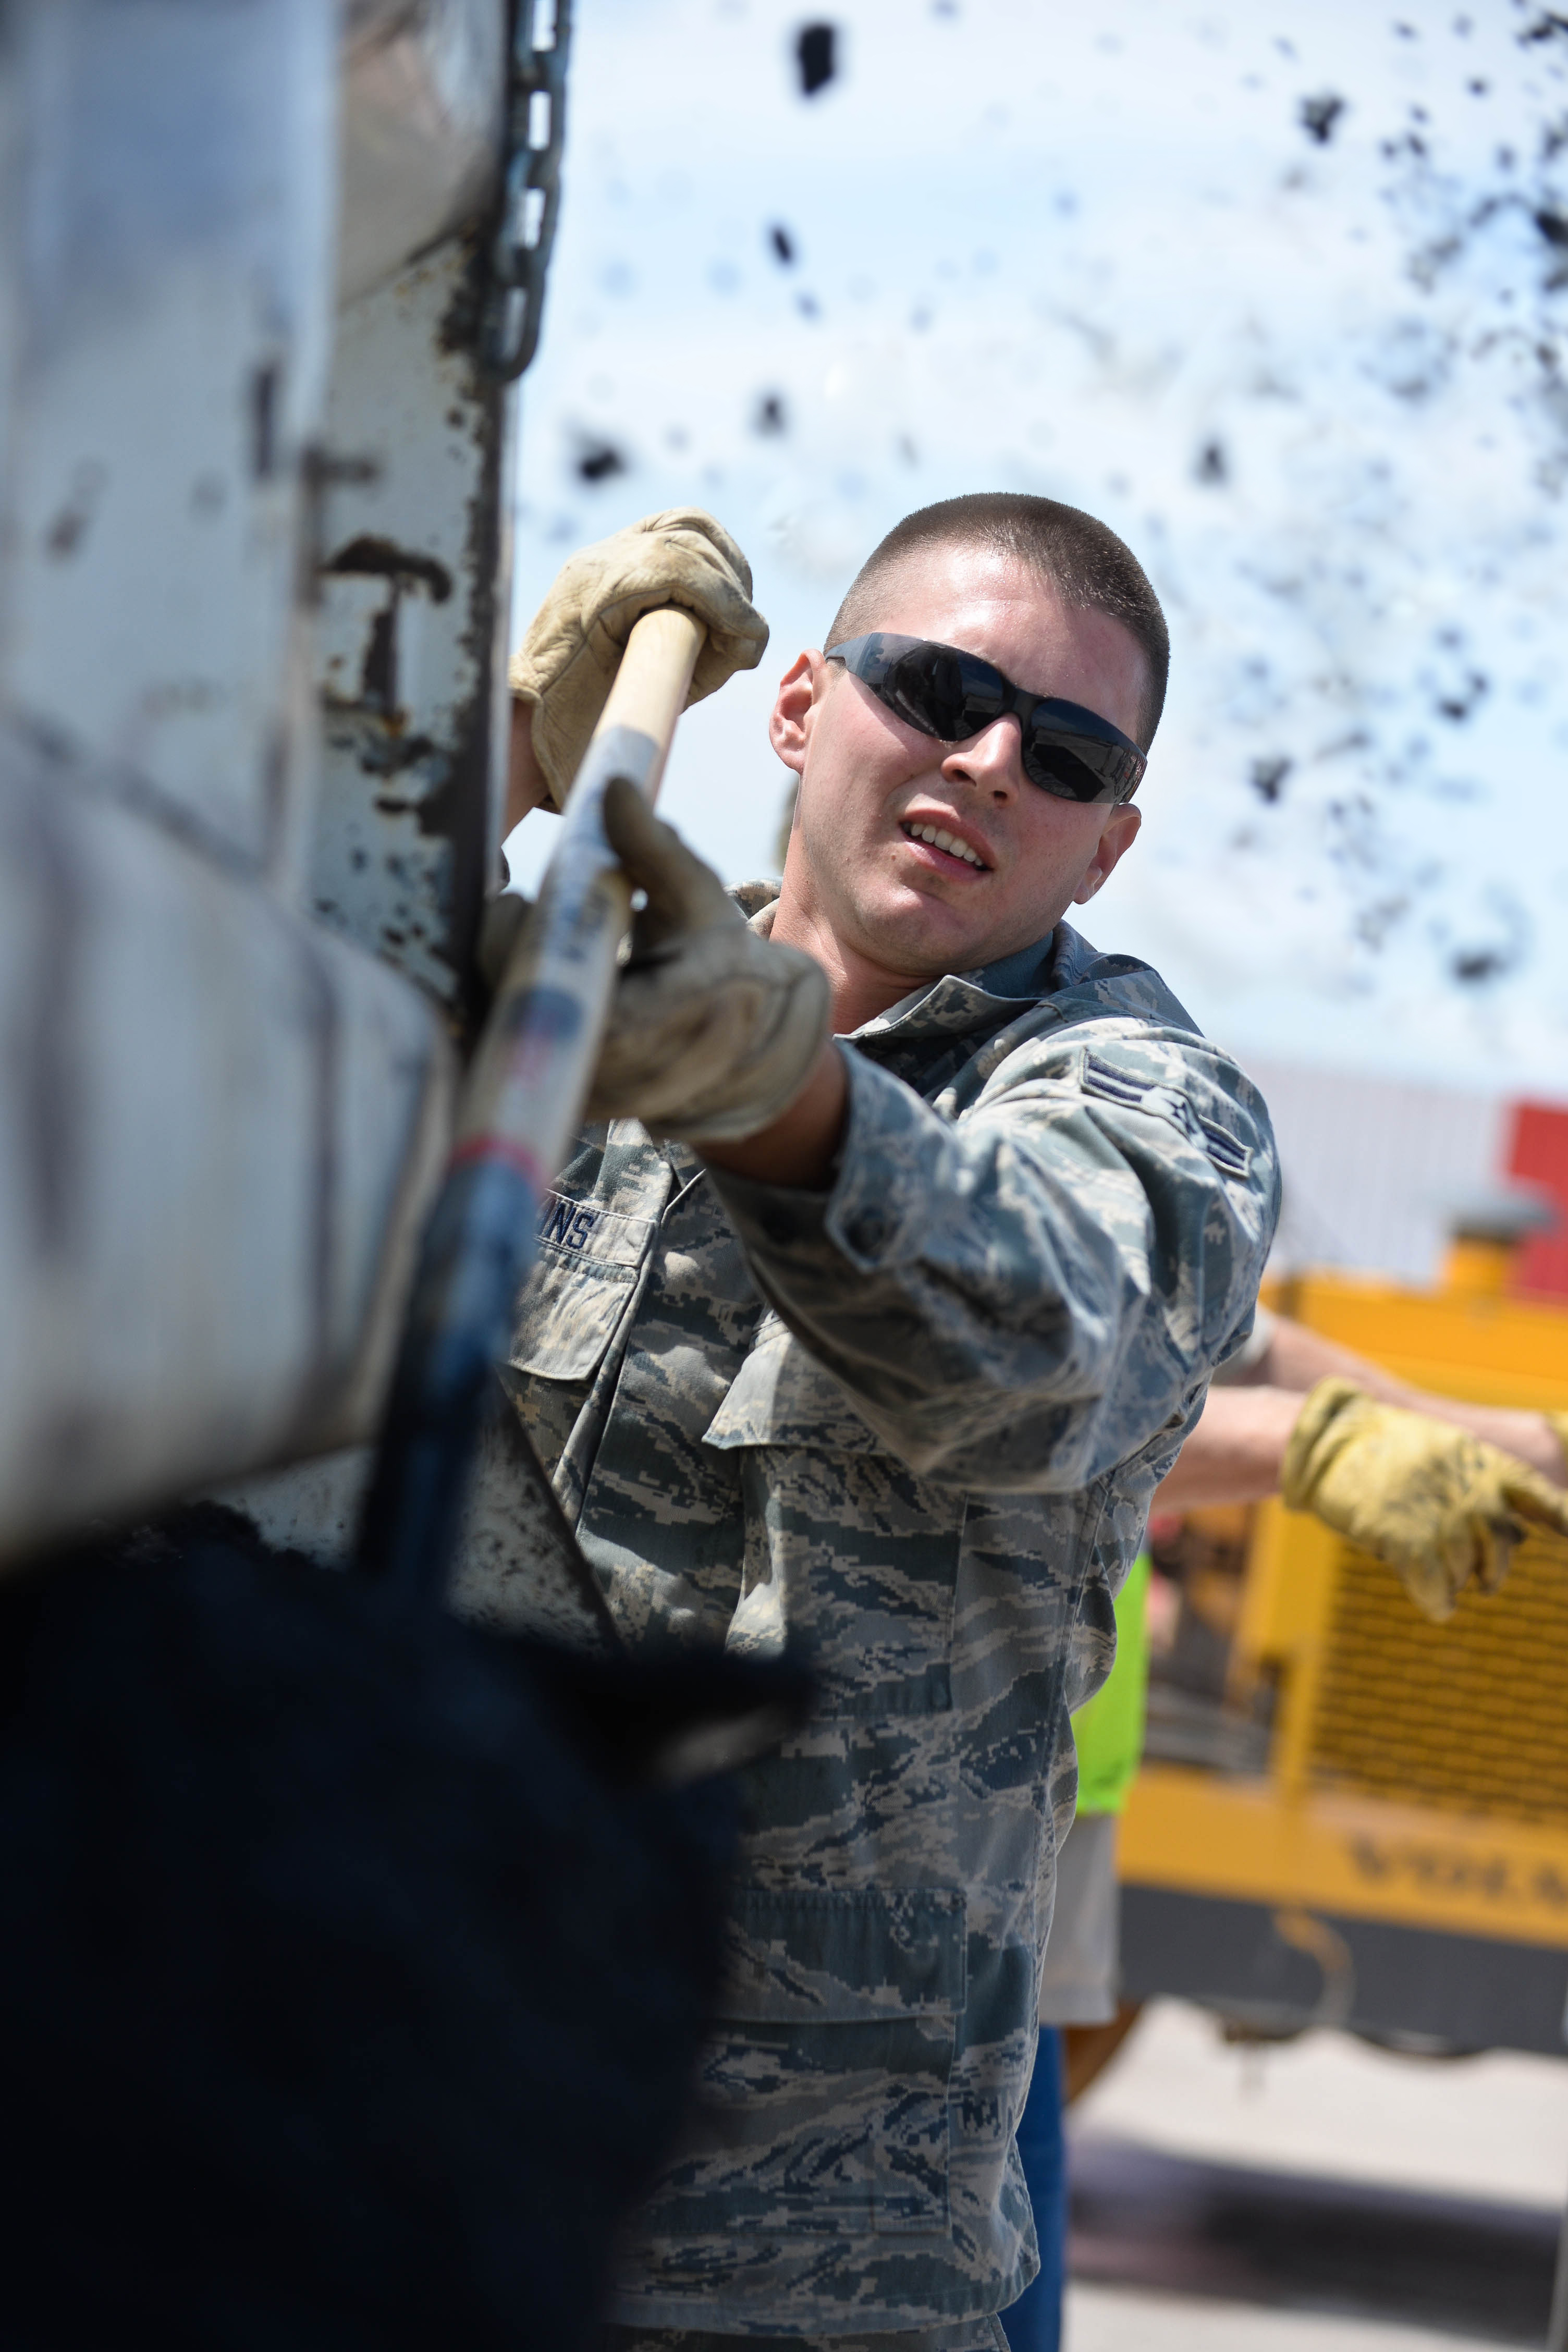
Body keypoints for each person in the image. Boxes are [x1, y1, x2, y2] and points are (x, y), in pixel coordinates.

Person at [501, 496, 1281, 2349]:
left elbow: (1031, 1341)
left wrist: (775, 1096)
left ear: (1105, 846)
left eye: (1064, 752)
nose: (988, 760)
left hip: (781, 2251)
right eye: (937, 689)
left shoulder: (1139, 1100)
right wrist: (494, 769)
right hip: (369, 2118)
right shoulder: (548, 997)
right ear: (794, 709)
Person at [1004, 1303, 1568, 2352]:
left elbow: (1237, 1338)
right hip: (942, 1801)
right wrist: (1307, 1446)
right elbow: (974, 1411)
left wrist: (1520, 1444)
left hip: (1048, 1797)